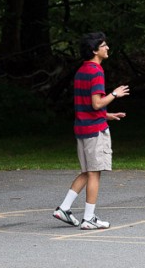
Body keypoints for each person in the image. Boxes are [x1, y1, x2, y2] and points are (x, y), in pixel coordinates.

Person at [53, 32, 129, 230]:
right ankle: (88, 218)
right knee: (94, 173)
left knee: (87, 172)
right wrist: (114, 94)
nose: (107, 48)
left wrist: (107, 115)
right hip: (95, 132)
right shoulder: (96, 71)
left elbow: (86, 106)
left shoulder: (81, 71)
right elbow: (96, 103)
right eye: (103, 45)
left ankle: (64, 208)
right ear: (95, 50)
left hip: (82, 128)